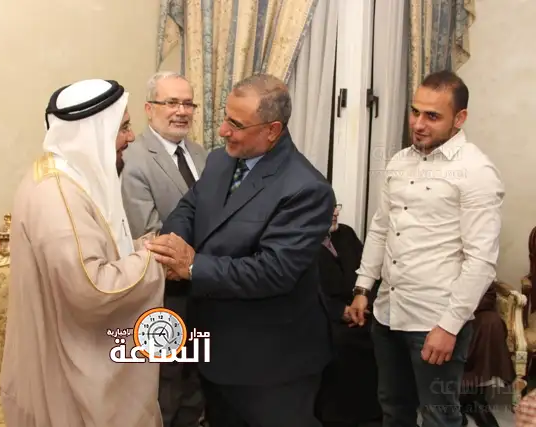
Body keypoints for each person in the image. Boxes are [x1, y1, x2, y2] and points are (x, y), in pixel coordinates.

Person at [145, 73, 336, 427]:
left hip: (272, 365)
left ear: (272, 130)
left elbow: (272, 272)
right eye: (225, 118)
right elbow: (189, 209)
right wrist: (170, 247)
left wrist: (193, 267)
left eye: (236, 124)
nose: (223, 131)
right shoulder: (221, 160)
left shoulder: (306, 188)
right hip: (215, 353)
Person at [0, 79, 166, 427]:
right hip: (69, 362)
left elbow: (100, 247)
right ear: (93, 133)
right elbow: (91, 285)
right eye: (123, 127)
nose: (131, 137)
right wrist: (157, 260)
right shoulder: (57, 195)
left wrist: (142, 247)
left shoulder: (74, 176)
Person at [349, 70, 505, 427]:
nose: (418, 124)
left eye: (432, 116)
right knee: (393, 409)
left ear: (459, 118)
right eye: (415, 111)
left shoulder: (476, 171)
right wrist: (363, 287)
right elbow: (382, 227)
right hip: (387, 313)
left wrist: (449, 327)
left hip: (434, 320)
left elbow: (481, 261)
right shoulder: (400, 161)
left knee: (439, 417)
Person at [121, 71, 208, 427]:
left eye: (188, 103)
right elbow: (148, 234)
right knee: (166, 386)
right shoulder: (133, 158)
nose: (182, 111)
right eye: (171, 102)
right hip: (164, 294)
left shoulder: (203, 155)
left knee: (197, 382)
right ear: (149, 108)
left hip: (206, 289)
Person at [315, 203, 382, 427]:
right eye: (328, 207)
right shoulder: (299, 242)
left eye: (336, 206)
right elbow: (303, 290)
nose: (335, 212)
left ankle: (374, 414)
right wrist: (338, 311)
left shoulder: (346, 234)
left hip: (361, 309)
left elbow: (369, 273)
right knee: (340, 342)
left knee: (382, 335)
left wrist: (364, 303)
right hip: (324, 314)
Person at [460, 284, 515, 427]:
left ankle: (476, 399)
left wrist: (463, 307)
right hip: (437, 308)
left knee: (491, 322)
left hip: (471, 307)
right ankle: (451, 403)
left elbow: (487, 293)